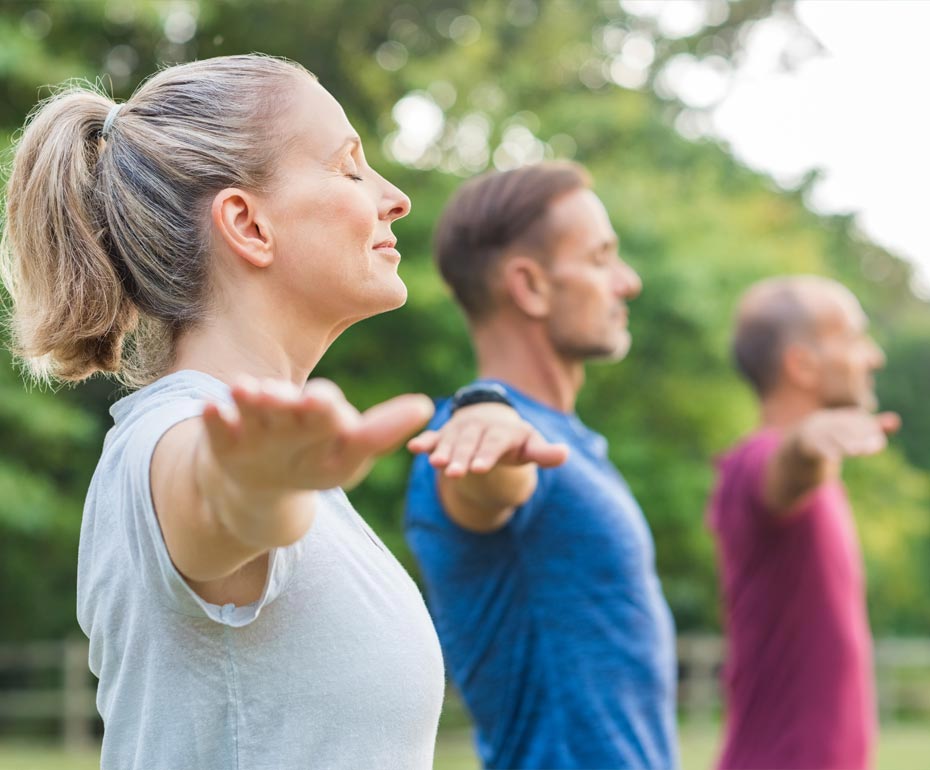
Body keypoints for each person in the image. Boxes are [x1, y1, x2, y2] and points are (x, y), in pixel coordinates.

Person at [0, 54, 459, 770]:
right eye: (349, 167)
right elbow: (216, 499)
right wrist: (254, 483)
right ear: (247, 224)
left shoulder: (278, 458)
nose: (393, 197)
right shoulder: (174, 440)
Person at [404, 162, 679, 769]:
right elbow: (487, 480)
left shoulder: (568, 442)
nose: (627, 281)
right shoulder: (474, 438)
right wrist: (485, 425)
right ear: (530, 286)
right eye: (602, 258)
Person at [708, 276, 899, 770]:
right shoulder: (756, 460)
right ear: (802, 363)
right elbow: (784, 469)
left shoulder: (820, 483)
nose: (872, 357)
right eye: (855, 337)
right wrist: (805, 440)